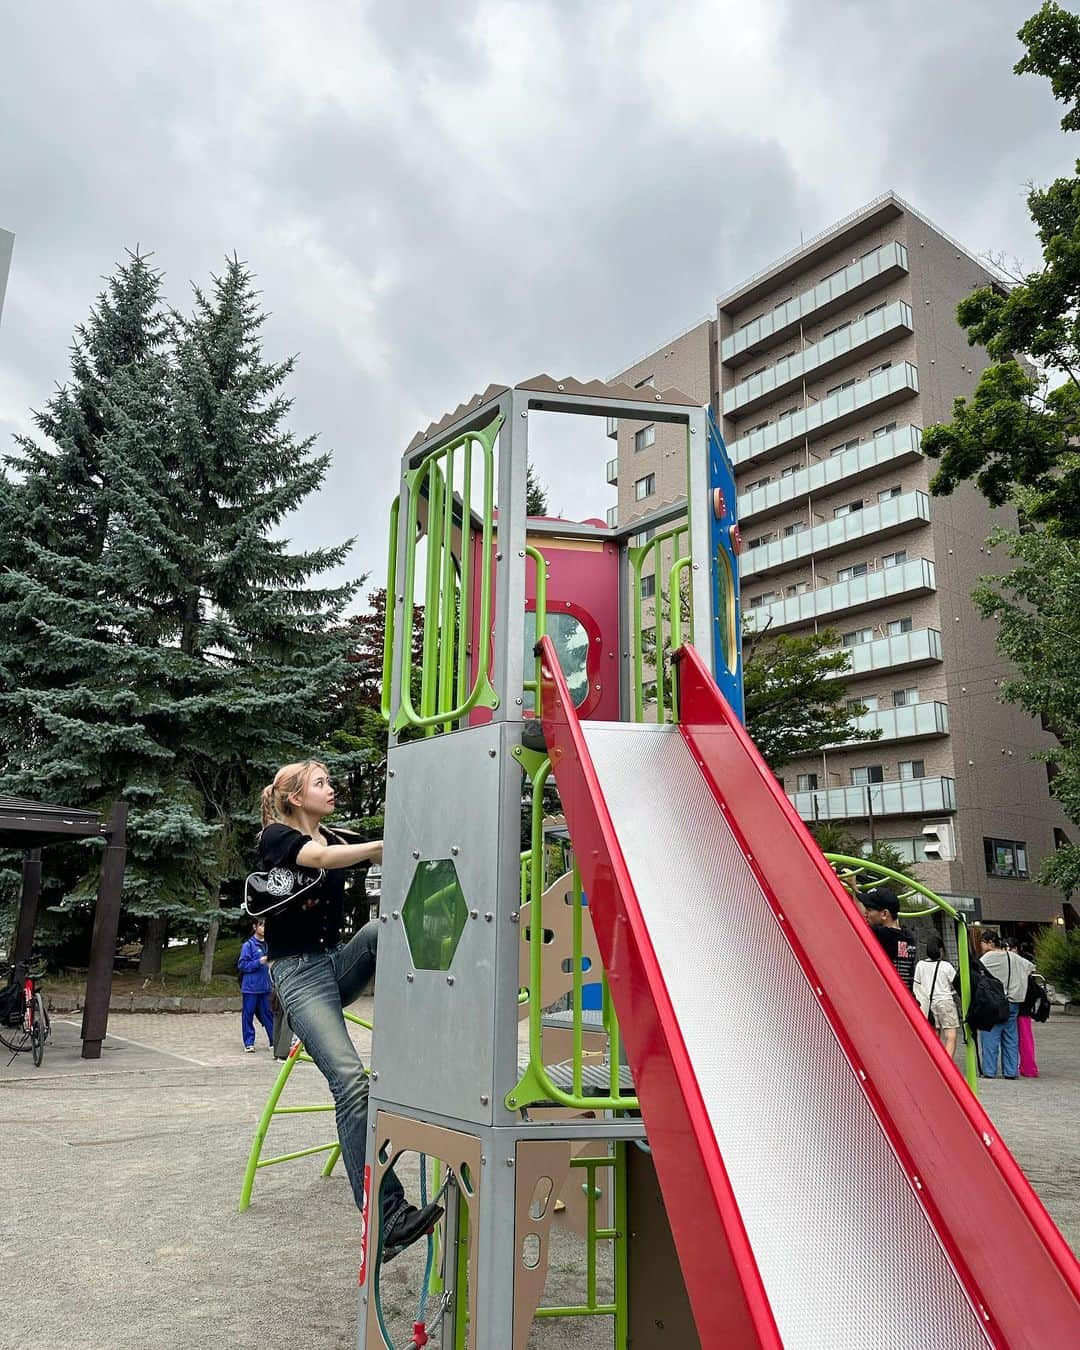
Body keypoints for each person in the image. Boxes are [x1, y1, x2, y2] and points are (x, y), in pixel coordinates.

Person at [259, 758, 442, 1259]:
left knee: (380, 933)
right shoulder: (277, 837)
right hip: (297, 978)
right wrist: (382, 847)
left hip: (332, 966)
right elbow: (316, 860)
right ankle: (386, 1218)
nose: (331, 788)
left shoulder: (337, 837)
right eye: (320, 783)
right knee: (352, 1083)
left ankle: (428, 1016)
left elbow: (358, 852)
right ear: (295, 797)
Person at [977, 930, 1033, 1080]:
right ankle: (1010, 1071)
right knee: (1010, 1038)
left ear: (990, 942)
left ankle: (989, 1070)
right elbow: (1030, 967)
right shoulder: (1014, 957)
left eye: (982, 942)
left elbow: (976, 972)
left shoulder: (987, 958)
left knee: (990, 1036)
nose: (981, 946)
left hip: (993, 1002)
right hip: (1013, 1002)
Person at [912, 935, 959, 1057]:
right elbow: (956, 983)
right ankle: (947, 1064)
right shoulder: (946, 966)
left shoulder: (920, 965)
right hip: (945, 1002)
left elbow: (916, 987)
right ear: (941, 950)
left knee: (934, 1037)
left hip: (927, 1005)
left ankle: (936, 1063)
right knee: (951, 1036)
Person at [863, 887, 917, 991]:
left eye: (869, 910)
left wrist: (854, 888)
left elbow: (857, 919)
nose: (866, 913)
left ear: (884, 914)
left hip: (890, 998)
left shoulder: (884, 935)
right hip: (907, 998)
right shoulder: (907, 937)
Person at [237, 918, 275, 1052]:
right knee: (248, 1015)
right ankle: (249, 1043)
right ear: (255, 927)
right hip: (251, 988)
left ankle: (273, 1041)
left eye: (266, 926)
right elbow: (242, 965)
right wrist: (259, 962)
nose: (264, 928)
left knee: (268, 1015)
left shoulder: (268, 944)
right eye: (262, 925)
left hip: (265, 987)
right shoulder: (248, 945)